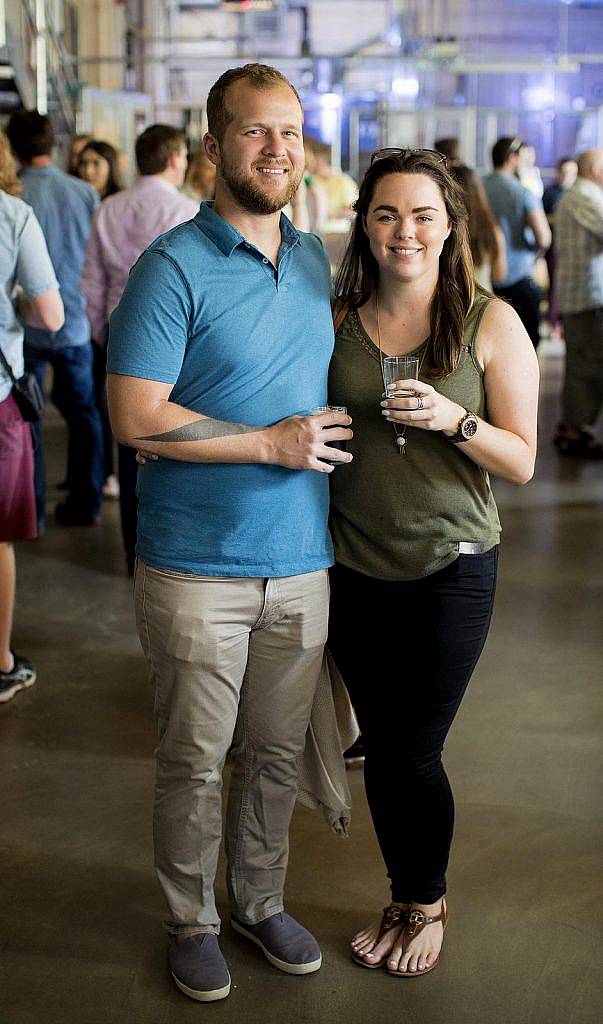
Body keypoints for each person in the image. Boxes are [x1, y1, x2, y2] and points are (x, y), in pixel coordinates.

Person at [106, 64, 352, 1002]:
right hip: (196, 568)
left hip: (302, 561)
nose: (277, 149)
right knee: (194, 760)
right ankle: (191, 918)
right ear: (213, 146)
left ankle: (256, 898)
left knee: (278, 756)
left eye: (289, 132)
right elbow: (134, 417)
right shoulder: (171, 267)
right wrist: (269, 443)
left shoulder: (318, 259)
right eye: (255, 132)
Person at [327, 148, 538, 978]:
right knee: (384, 747)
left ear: (450, 226)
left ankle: (423, 901)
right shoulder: (337, 314)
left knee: (412, 748)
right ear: (364, 226)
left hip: (451, 567)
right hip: (349, 564)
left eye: (421, 214)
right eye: (385, 214)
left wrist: (456, 421)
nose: (403, 231)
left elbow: (520, 461)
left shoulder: (490, 322)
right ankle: (406, 890)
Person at [81, 124, 198, 572]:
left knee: (127, 438)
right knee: (171, 435)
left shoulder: (109, 207)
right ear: (174, 159)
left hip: (116, 332)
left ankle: (134, 549)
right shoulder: (186, 211)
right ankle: (168, 546)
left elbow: (91, 282)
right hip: (176, 339)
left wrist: (99, 334)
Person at [6, 109, 103, 529]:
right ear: (53, 143)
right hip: (75, 320)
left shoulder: (14, 196)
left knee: (29, 415)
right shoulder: (83, 193)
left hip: (21, 328)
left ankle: (34, 508)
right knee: (83, 415)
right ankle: (86, 503)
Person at [0, 130, 64, 702]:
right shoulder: (12, 215)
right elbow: (49, 311)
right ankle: (0, 662)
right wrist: (10, 301)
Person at [553, 148, 603, 459]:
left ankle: (574, 428)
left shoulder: (581, 194)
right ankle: (574, 431)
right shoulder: (585, 196)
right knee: (587, 368)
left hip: (584, 294)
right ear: (596, 169)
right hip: (585, 296)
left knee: (583, 365)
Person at [483, 136, 551, 348]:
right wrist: (534, 252)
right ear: (512, 158)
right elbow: (544, 237)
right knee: (526, 342)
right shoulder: (522, 192)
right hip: (517, 276)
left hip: (483, 277)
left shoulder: (477, 188)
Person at [450, 163, 507, 289]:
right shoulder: (492, 231)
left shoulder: (444, 229)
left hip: (447, 300)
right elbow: (500, 275)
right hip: (482, 300)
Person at [542, 157, 578, 334]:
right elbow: (541, 218)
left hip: (575, 248)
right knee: (555, 284)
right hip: (555, 246)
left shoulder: (579, 197)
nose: (566, 176)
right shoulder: (550, 193)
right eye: (563, 172)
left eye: (570, 173)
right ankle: (554, 323)